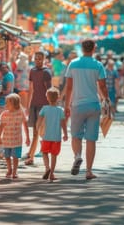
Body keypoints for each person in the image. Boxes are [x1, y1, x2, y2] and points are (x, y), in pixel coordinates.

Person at [64, 39, 109, 180]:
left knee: (76, 136)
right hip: (93, 105)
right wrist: (106, 100)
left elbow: (69, 87)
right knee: (91, 139)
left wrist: (66, 105)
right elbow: (102, 86)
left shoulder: (73, 64)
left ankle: (77, 156)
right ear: (94, 49)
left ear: (81, 49)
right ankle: (89, 171)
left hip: (77, 105)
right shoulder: (98, 65)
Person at [25, 51, 52, 165]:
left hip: (44, 105)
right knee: (35, 132)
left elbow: (49, 91)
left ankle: (34, 154)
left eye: (40, 59)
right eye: (36, 58)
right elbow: (31, 89)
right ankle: (31, 155)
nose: (38, 61)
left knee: (40, 132)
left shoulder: (46, 72)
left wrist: (50, 106)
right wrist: (28, 104)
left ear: (44, 59)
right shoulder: (32, 71)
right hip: (34, 104)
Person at [37, 87, 68, 182]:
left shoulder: (44, 109)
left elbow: (39, 121)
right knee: (54, 155)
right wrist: (65, 134)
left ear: (47, 98)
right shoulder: (60, 110)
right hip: (56, 138)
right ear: (58, 97)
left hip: (46, 136)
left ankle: (47, 168)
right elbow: (63, 123)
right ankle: (52, 174)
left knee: (45, 153)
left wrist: (37, 129)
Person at [0, 93, 30, 179]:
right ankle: (9, 169)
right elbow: (1, 126)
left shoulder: (20, 113)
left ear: (14, 103)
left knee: (15, 157)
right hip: (6, 140)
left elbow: (25, 125)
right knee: (7, 156)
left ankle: (14, 171)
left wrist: (28, 137)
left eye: (7, 103)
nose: (5, 104)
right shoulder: (5, 114)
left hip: (17, 140)